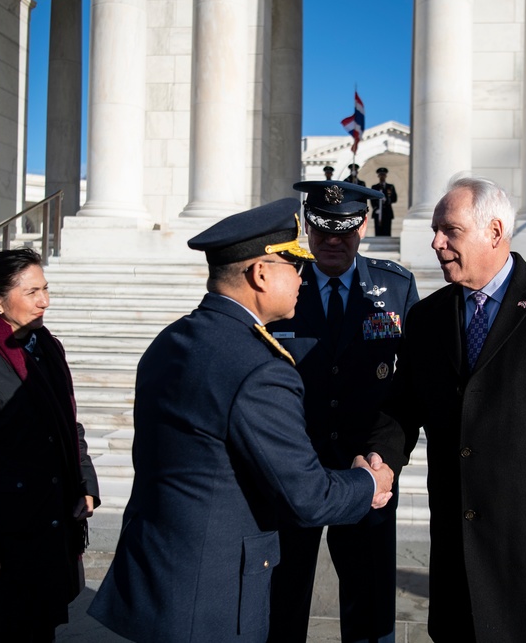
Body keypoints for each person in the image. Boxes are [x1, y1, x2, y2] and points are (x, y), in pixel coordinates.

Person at [87, 198, 395, 643]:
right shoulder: (259, 367)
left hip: (157, 576)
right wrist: (370, 484)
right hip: (212, 596)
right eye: (294, 264)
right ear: (262, 273)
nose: (303, 277)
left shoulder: (171, 339)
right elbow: (307, 497)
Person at [369, 175, 526, 642]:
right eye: (435, 229)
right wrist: (382, 458)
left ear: (494, 232)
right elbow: (402, 408)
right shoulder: (427, 318)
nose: (435, 242)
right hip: (460, 550)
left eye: (450, 230)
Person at [268, 181, 419, 643]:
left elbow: (410, 388)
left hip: (365, 472)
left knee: (370, 608)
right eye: (322, 230)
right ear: (306, 225)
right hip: (294, 472)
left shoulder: (395, 286)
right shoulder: (279, 284)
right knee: (280, 602)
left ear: (364, 225)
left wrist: (386, 459)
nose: (334, 241)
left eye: (346, 231)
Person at [0, 248, 100, 642]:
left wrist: (86, 483)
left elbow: (67, 424)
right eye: (31, 292)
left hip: (49, 523)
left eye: (45, 289)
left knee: (41, 630)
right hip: (3, 531)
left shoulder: (46, 347)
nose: (44, 300)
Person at [370, 167, 398, 236]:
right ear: (378, 176)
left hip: (387, 212)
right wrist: (375, 208)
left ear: (386, 176)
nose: (382, 177)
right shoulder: (375, 187)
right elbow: (372, 199)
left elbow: (394, 198)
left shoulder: (390, 187)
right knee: (378, 231)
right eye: (380, 175)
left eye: (383, 175)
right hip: (378, 211)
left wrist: (387, 200)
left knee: (387, 231)